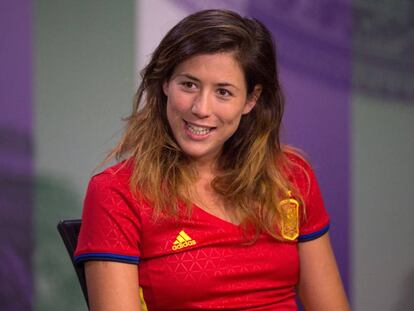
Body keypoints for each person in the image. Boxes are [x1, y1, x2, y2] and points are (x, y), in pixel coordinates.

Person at [74, 9, 350, 311]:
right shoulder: (117, 192)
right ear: (166, 83)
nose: (201, 108)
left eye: (223, 92)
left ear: (250, 100)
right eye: (189, 85)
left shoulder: (292, 175)